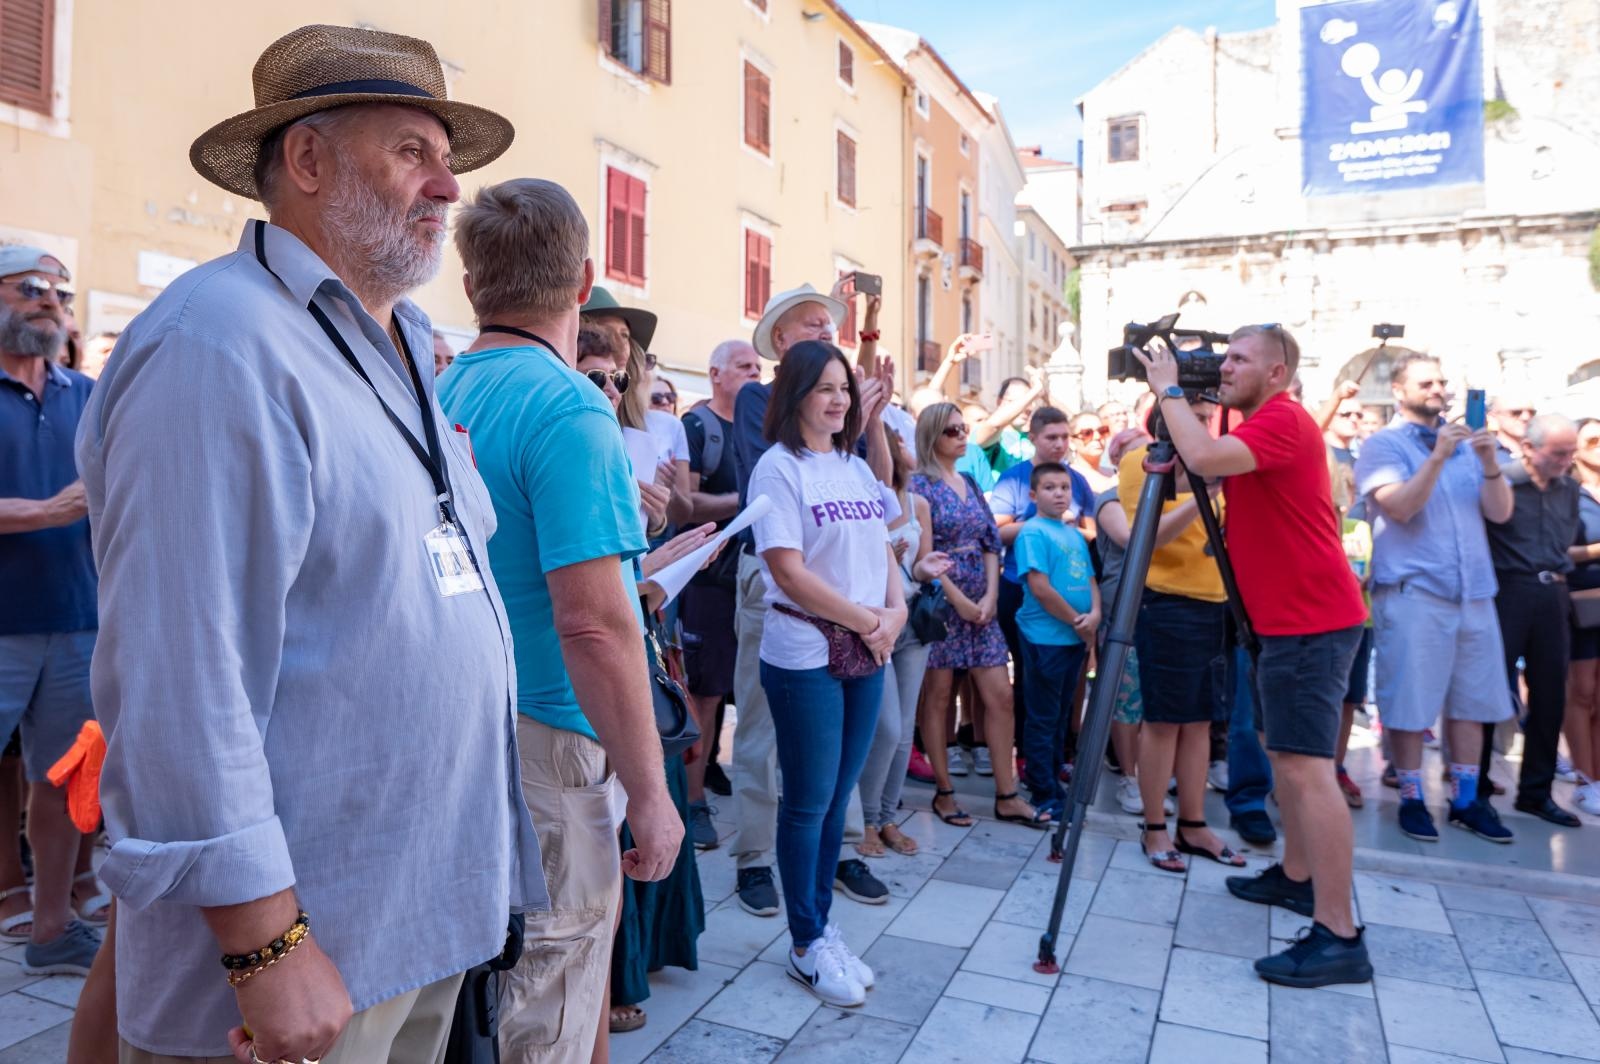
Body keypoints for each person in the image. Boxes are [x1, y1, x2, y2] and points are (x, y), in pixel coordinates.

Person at [77, 26, 544, 1062]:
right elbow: (182, 676)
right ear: (307, 159)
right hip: (300, 959)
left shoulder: (401, 343)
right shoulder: (217, 343)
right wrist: (265, 941)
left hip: (409, 918)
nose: (448, 189)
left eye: (448, 161)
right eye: (414, 152)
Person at [439, 178, 688, 1062]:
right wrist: (653, 796)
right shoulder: (570, 405)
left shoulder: (439, 389)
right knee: (545, 1000)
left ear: (472, 284)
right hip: (553, 737)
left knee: (518, 995)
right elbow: (594, 626)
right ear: (584, 283)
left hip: (468, 722)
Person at [1137, 324, 1371, 987]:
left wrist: (1170, 387)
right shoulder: (1267, 422)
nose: (1224, 367)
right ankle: (1298, 879)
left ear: (1276, 372)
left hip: (1309, 623)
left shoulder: (1283, 420)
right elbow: (1205, 457)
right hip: (1285, 623)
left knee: (1306, 769)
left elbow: (1204, 460)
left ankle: (1339, 933)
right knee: (1286, 759)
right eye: (1224, 356)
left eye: (1239, 359)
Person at [728, 282, 894, 918]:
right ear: (782, 344)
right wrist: (868, 619)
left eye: (831, 327)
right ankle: (756, 858)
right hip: (781, 590)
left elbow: (882, 488)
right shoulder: (757, 404)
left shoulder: (842, 433)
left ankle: (840, 848)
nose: (828, 334)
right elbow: (777, 527)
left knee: (837, 752)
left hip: (853, 604)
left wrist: (868, 419)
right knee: (765, 729)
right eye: (813, 327)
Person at [750, 339, 904, 1009]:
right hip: (807, 652)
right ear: (796, 395)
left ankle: (819, 926)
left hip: (868, 646)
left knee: (838, 794)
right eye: (826, 388)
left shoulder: (855, 467)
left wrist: (893, 613)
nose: (840, 399)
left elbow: (886, 550)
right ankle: (806, 941)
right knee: (809, 800)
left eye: (845, 387)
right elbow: (788, 570)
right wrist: (867, 622)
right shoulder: (778, 470)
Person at [1353, 352, 1516, 845]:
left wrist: (1489, 464)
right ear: (1399, 390)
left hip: (1473, 593)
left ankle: (1466, 799)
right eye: (1426, 381)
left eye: (1443, 381)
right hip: (1414, 592)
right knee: (1408, 700)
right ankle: (1410, 796)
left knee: (1472, 701)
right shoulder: (1382, 445)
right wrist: (1438, 457)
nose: (1438, 389)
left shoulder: (1471, 448)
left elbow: (1501, 514)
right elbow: (1399, 507)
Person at [0, 245, 102, 977]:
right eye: (29, 287)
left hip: (75, 618)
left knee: (61, 777)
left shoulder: (89, 394)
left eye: (58, 289)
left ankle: (52, 928)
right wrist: (45, 511)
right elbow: (66, 503)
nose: (47, 299)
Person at [1115, 399, 1239, 874]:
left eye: (1207, 419)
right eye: (1197, 417)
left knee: (1201, 721)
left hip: (1215, 605)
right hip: (1166, 603)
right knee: (1164, 722)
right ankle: (1153, 828)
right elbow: (1147, 535)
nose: (1205, 427)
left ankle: (1194, 823)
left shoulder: (1210, 467)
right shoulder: (1142, 460)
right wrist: (1202, 494)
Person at [913, 402, 1048, 828]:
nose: (962, 435)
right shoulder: (919, 487)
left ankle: (1007, 793)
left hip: (982, 602)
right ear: (932, 435)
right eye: (952, 430)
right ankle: (944, 791)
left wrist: (989, 596)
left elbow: (992, 541)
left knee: (1000, 696)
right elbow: (925, 553)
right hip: (942, 600)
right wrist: (960, 601)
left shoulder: (970, 481)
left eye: (963, 428)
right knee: (938, 698)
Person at [679, 339, 760, 848]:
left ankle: (710, 768)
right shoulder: (698, 427)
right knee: (704, 696)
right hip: (707, 580)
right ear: (715, 374)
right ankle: (692, 802)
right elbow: (685, 505)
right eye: (743, 366)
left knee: (733, 693)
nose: (755, 373)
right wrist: (746, 503)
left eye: (758, 366)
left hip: (747, 580)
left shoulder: (762, 427)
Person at [1485, 413, 1583, 827]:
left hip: (1552, 593)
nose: (1566, 460)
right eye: (1558, 453)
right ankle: (1475, 784)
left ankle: (1536, 792)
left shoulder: (1570, 488)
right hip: (1508, 590)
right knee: (1489, 691)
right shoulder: (1501, 482)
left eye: (1570, 453)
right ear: (1528, 447)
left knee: (1550, 695)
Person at [855, 440, 951, 858]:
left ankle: (885, 817)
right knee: (887, 727)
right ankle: (863, 820)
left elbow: (918, 565)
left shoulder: (918, 504)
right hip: (874, 621)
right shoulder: (860, 498)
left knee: (903, 729)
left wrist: (921, 567)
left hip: (913, 617)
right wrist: (884, 559)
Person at [991, 407, 1094, 784]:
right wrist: (1042, 523)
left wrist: (1066, 528)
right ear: (1032, 437)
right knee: (1032, 679)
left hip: (1070, 600)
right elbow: (997, 532)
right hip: (1022, 590)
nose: (1060, 444)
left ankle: (1060, 754)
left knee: (1068, 681)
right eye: (1052, 437)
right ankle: (1028, 759)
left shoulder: (1078, 481)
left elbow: (1091, 533)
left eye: (1066, 437)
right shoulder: (1015, 479)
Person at [1015, 462, 1100, 816]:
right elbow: (1040, 587)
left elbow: (1091, 581)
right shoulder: (1033, 533)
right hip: (1046, 637)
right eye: (1050, 488)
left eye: (1064, 487)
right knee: (1043, 716)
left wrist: (1094, 615)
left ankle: (1052, 778)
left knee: (1062, 713)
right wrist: (1078, 622)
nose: (1059, 493)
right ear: (1034, 495)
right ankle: (1042, 790)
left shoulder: (1074, 534)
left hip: (1073, 637)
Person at [1565, 418, 1600, 816]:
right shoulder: (1568, 494)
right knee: (1582, 691)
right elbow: (1558, 551)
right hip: (1580, 601)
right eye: (1593, 439)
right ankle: (1584, 778)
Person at [1069, 411, 1115, 492]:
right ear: (1071, 442)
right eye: (1087, 433)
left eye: (1102, 431)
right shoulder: (1069, 477)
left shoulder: (1114, 473)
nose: (1097, 437)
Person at [1490, 393, 1537, 462]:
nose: (1526, 417)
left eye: (1531, 412)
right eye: (1516, 412)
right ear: (1493, 417)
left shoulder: (1543, 452)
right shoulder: (1483, 452)